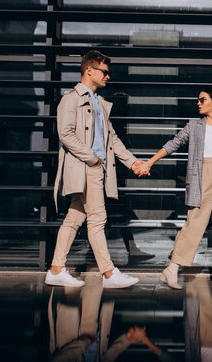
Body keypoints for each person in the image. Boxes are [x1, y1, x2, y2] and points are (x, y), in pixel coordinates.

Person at [46, 50, 147, 289]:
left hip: (96, 168)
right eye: (104, 71)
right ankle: (109, 274)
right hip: (86, 168)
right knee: (98, 218)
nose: (108, 76)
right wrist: (92, 159)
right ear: (88, 69)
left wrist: (133, 162)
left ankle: (56, 269)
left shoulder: (100, 103)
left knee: (74, 218)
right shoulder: (71, 99)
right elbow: (66, 134)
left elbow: (112, 139)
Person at [139, 88, 212, 289]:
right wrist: (150, 162)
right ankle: (171, 269)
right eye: (198, 100)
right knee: (194, 224)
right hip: (203, 176)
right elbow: (173, 144)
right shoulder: (194, 126)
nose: (198, 103)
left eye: (202, 99)